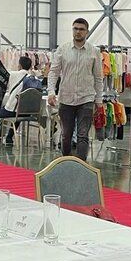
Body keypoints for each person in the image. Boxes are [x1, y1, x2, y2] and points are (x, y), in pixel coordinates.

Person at [47, 18, 102, 161]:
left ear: (87, 32)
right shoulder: (62, 49)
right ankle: (66, 163)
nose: (78, 32)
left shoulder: (94, 51)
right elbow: (53, 72)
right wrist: (51, 92)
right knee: (66, 135)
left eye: (81, 29)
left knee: (83, 135)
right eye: (75, 29)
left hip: (86, 98)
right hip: (66, 98)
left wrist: (99, 100)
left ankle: (81, 167)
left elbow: (98, 77)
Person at [0, 55, 34, 145]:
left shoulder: (13, 74)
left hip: (12, 111)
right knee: (18, 114)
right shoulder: (33, 78)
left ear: (20, 65)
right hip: (26, 112)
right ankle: (9, 137)